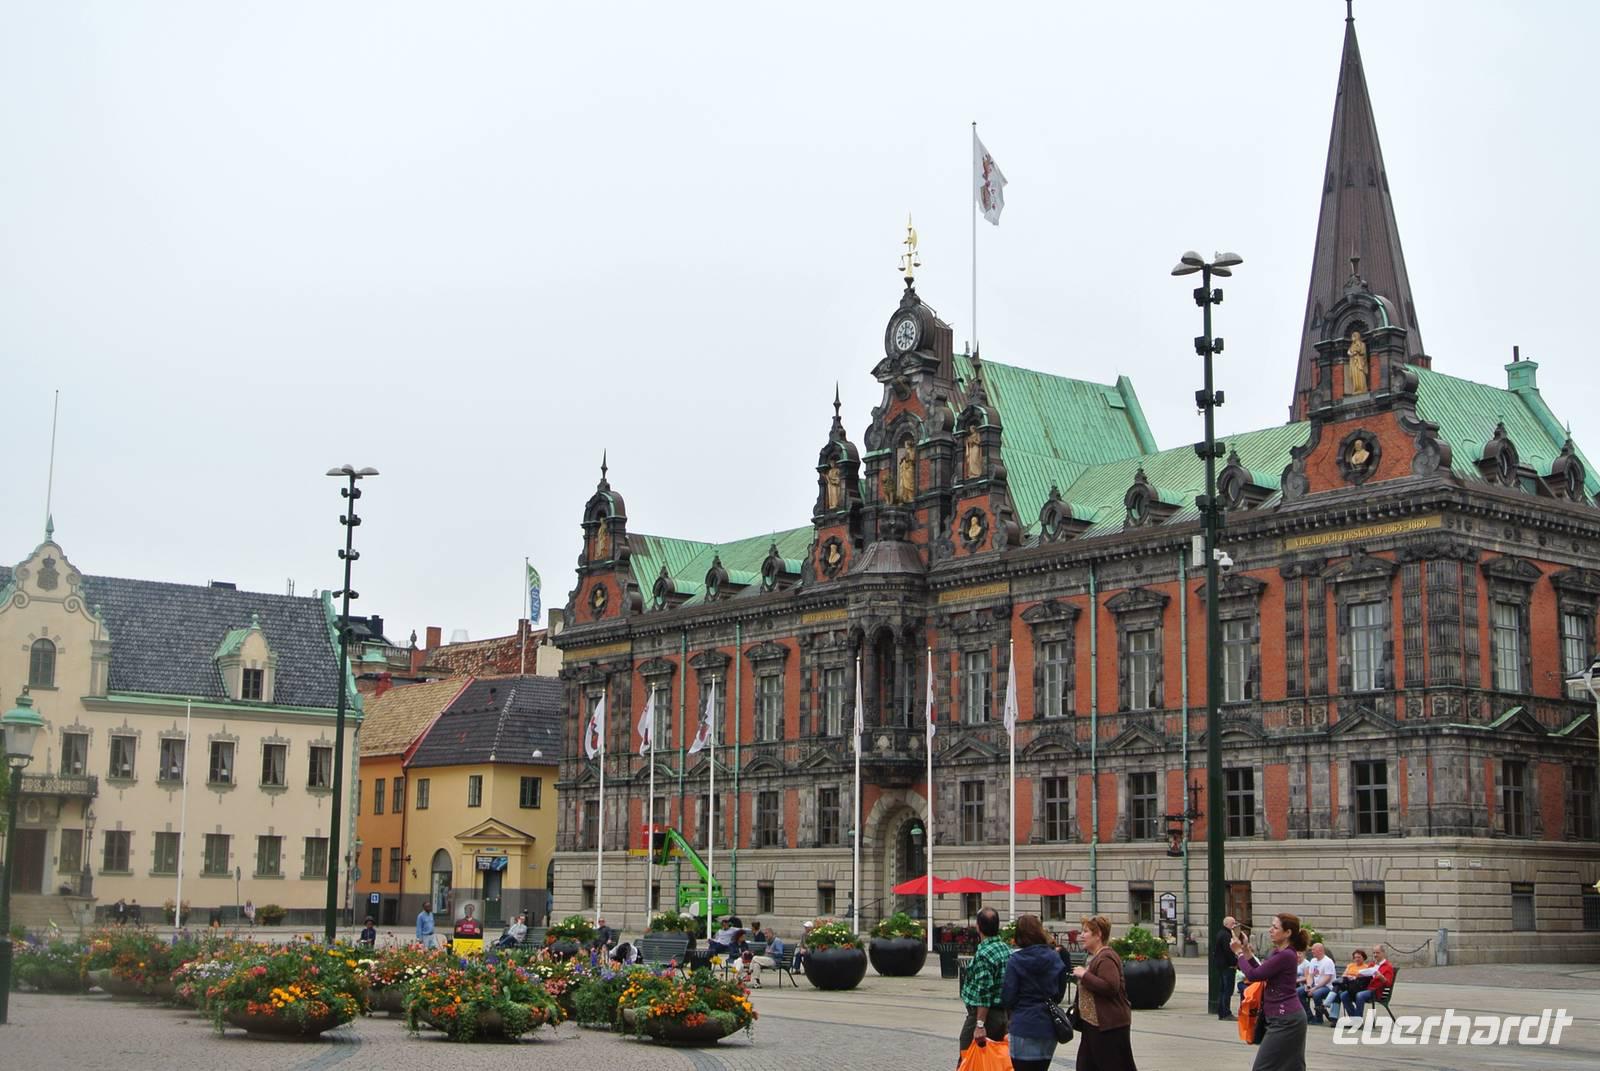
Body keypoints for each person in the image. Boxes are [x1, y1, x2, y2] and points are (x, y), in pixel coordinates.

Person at [1234, 913, 1311, 1071]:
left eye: (1275, 927)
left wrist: (1239, 954)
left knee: (1263, 1067)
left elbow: (1253, 975)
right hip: (1284, 1017)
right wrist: (1246, 950)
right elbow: (1260, 971)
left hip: (1286, 1020)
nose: (1270, 930)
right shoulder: (1279, 954)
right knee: (1293, 1067)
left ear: (1287, 933)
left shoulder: (1287, 955)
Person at [1001, 914, 1068, 1071]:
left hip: (1023, 1025)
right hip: (1048, 1027)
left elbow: (1008, 997)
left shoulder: (1015, 961)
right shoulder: (1055, 958)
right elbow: (1059, 994)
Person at [1072, 914, 1138, 1071]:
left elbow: (1110, 986)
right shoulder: (1098, 957)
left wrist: (1084, 975)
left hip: (1108, 1027)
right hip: (1094, 1026)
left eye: (1086, 931)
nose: (1082, 936)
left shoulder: (1106, 957)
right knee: (1085, 1065)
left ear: (1098, 934)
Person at [957, 907, 1011, 1062]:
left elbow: (984, 992)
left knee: (968, 1058)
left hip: (985, 1015)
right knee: (991, 1060)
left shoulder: (983, 955)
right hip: (1002, 1014)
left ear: (978, 926)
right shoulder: (1005, 949)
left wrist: (980, 1025)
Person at [1340, 944, 1394, 1023]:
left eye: (1377, 953)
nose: (1375, 955)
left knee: (1360, 995)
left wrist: (1381, 977)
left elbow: (1388, 984)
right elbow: (1365, 977)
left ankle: (1357, 1022)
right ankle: (1355, 1019)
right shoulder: (1372, 964)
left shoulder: (1388, 966)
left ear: (1383, 953)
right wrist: (1357, 976)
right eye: (1374, 953)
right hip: (1364, 988)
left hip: (1376, 991)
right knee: (1344, 995)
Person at [1298, 942, 1337, 1025]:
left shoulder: (1328, 962)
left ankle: (1319, 1019)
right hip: (1314, 985)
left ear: (1320, 951)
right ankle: (1309, 1017)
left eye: (1313, 950)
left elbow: (1327, 978)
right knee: (1298, 992)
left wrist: (1314, 988)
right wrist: (1309, 985)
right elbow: (1310, 975)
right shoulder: (1313, 960)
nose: (1312, 951)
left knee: (1316, 994)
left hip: (1327, 986)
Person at [1212, 914, 1238, 1019]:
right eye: (1233, 923)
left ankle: (1222, 1012)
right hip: (1227, 966)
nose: (1234, 925)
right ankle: (1226, 1013)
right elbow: (1229, 952)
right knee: (1227, 990)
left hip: (1222, 965)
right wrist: (1235, 963)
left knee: (1223, 990)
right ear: (1227, 924)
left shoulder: (1221, 933)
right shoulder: (1226, 935)